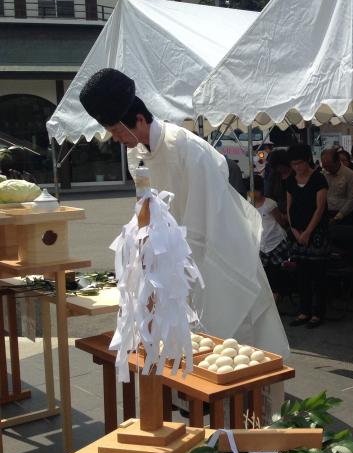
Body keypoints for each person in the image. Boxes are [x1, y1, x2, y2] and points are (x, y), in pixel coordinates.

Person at [79, 68, 289, 357]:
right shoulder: (135, 154)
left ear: (139, 119)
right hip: (174, 256)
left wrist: (179, 257)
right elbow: (146, 206)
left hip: (216, 251)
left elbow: (210, 213)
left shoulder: (187, 148)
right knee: (180, 335)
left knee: (229, 333)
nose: (116, 139)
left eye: (117, 131)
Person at [285, 143, 330, 328]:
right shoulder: (290, 181)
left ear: (307, 161)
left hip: (316, 232)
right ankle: (304, 310)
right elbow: (289, 208)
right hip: (297, 231)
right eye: (294, 164)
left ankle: (317, 313)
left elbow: (320, 209)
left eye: (300, 163)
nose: (297, 167)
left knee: (317, 274)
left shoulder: (319, 179)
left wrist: (309, 231)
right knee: (301, 274)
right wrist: (295, 231)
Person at [251, 174, 291, 299]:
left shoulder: (270, 204)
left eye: (255, 191)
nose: (252, 194)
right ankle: (268, 294)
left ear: (260, 190)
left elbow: (280, 220)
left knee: (275, 270)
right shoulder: (248, 203)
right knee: (264, 271)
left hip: (274, 240)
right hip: (260, 242)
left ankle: (276, 293)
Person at [320, 147, 353, 223]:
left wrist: (338, 217)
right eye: (324, 167)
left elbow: (352, 199)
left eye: (329, 166)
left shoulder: (349, 174)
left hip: (344, 215)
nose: (327, 169)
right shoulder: (323, 174)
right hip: (325, 213)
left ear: (338, 162)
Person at [265, 148, 292, 227]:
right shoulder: (274, 176)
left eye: (278, 166)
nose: (277, 169)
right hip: (278, 213)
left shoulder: (295, 175)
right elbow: (269, 195)